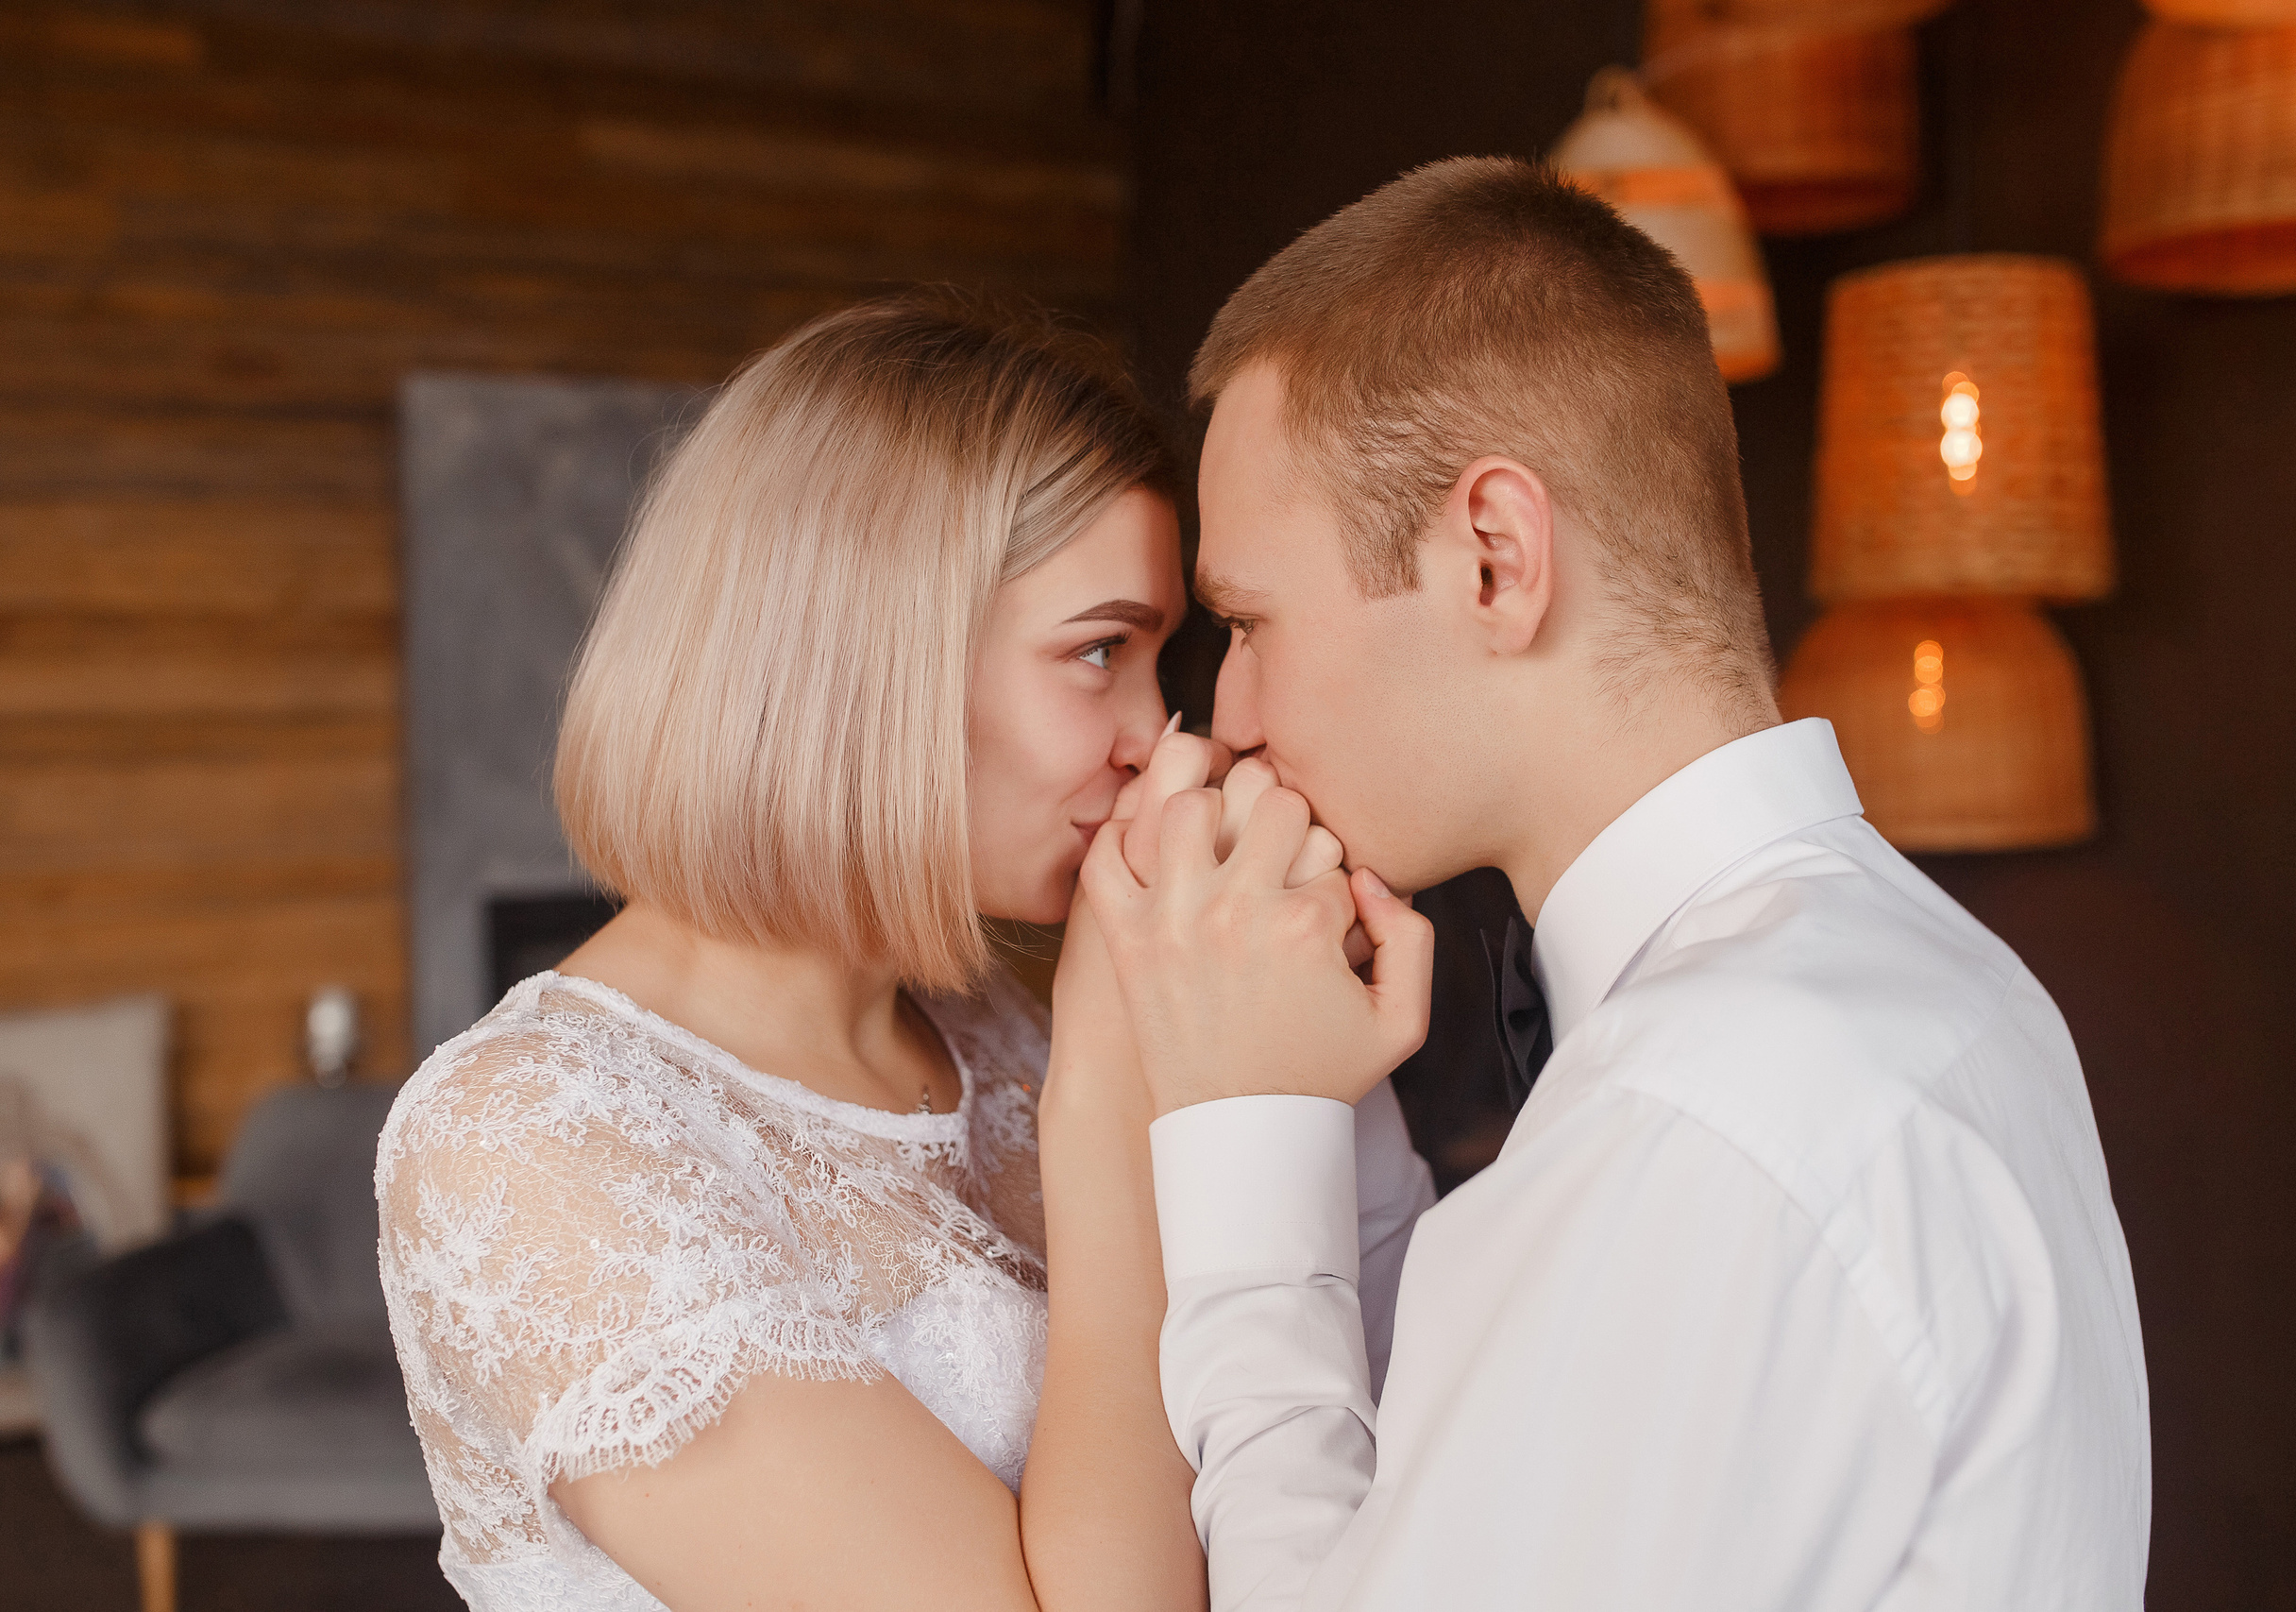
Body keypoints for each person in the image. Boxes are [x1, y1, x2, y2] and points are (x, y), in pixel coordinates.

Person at [1072, 158, 2152, 1609]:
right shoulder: (1921, 988)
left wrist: (1243, 1144)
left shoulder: (1708, 1109)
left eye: (1250, 620)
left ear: (1496, 560)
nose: (1237, 714)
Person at [374, 297, 1434, 1612]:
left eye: (1161, 661)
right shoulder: (524, 1140)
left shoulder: (1005, 1023)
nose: (1155, 738)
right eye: (1098, 651)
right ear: (870, 659)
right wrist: (1104, 1083)